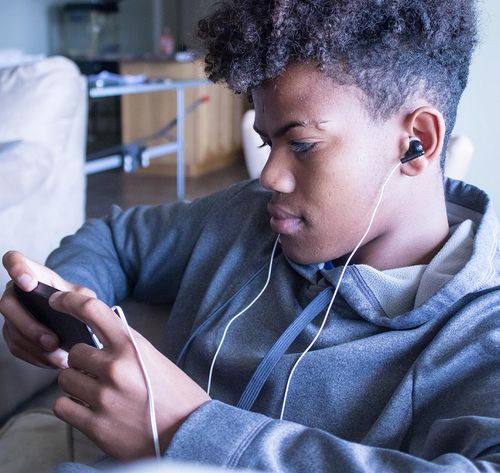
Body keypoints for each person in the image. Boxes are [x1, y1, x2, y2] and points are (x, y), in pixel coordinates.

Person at [1, 0, 499, 471]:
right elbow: (114, 239)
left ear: (419, 142)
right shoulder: (245, 217)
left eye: (301, 145)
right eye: (267, 142)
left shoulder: (479, 332)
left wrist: (187, 430)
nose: (269, 177)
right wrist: (59, 300)